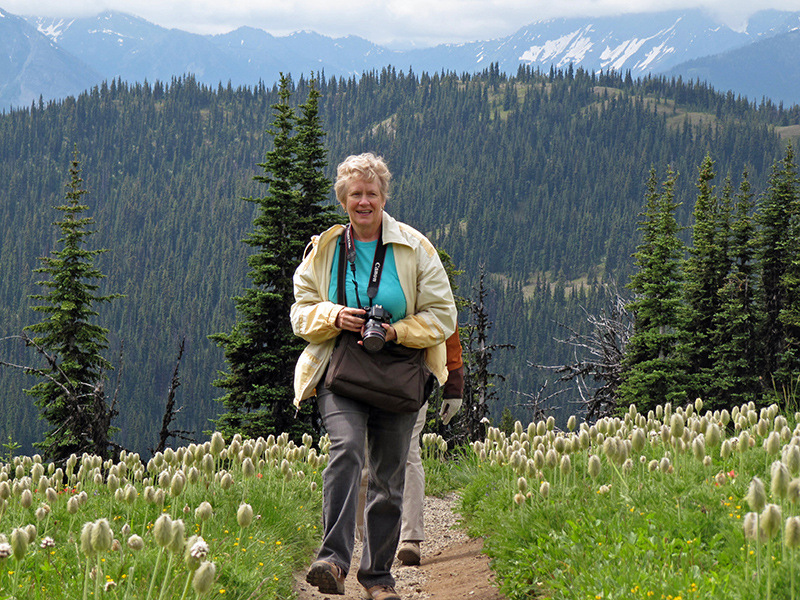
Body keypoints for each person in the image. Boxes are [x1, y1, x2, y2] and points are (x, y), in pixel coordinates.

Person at [291, 152, 457, 600]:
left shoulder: (414, 247)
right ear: (344, 199)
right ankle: (332, 560)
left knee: (387, 476)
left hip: (401, 372)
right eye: (356, 194)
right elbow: (300, 312)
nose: (364, 201)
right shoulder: (325, 250)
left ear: (384, 197)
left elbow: (444, 315)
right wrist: (334, 314)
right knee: (345, 450)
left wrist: (398, 330)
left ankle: (379, 578)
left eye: (372, 193)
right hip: (342, 369)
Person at [396, 328, 464, 566]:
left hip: (397, 373)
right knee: (408, 452)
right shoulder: (430, 288)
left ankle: (367, 540)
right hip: (413, 371)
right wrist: (454, 381)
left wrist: (454, 381)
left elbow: (446, 319)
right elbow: (447, 319)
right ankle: (409, 538)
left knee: (369, 452)